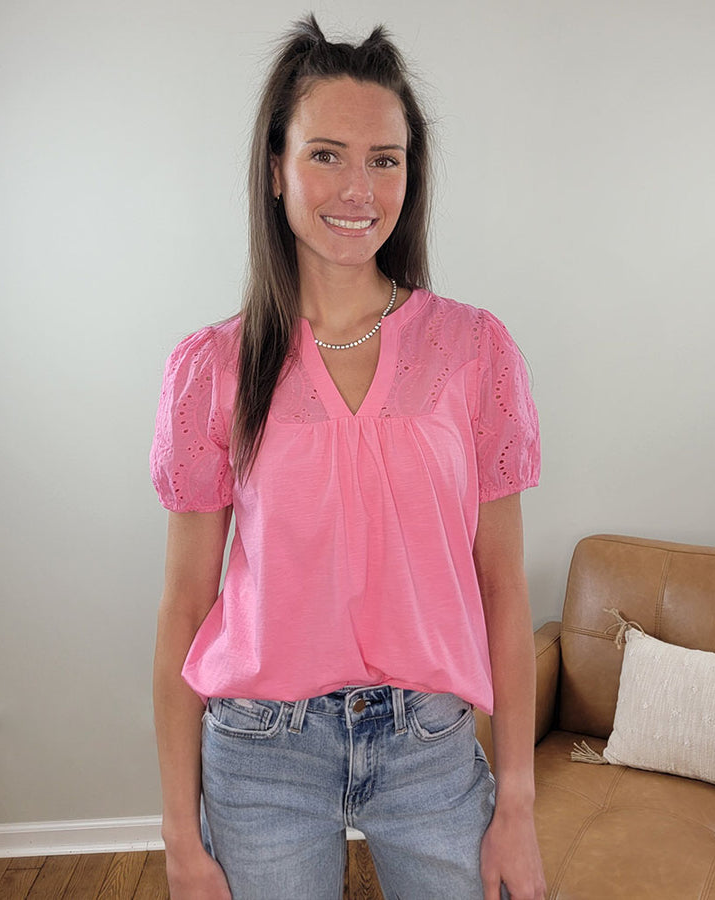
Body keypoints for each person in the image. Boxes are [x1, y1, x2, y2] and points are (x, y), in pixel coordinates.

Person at [151, 14, 546, 900]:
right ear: (276, 167)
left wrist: (515, 801)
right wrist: (180, 835)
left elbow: (505, 588)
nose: (358, 187)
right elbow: (186, 603)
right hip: (261, 756)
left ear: (413, 170)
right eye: (326, 154)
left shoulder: (474, 350)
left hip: (430, 747)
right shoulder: (212, 367)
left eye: (385, 158)